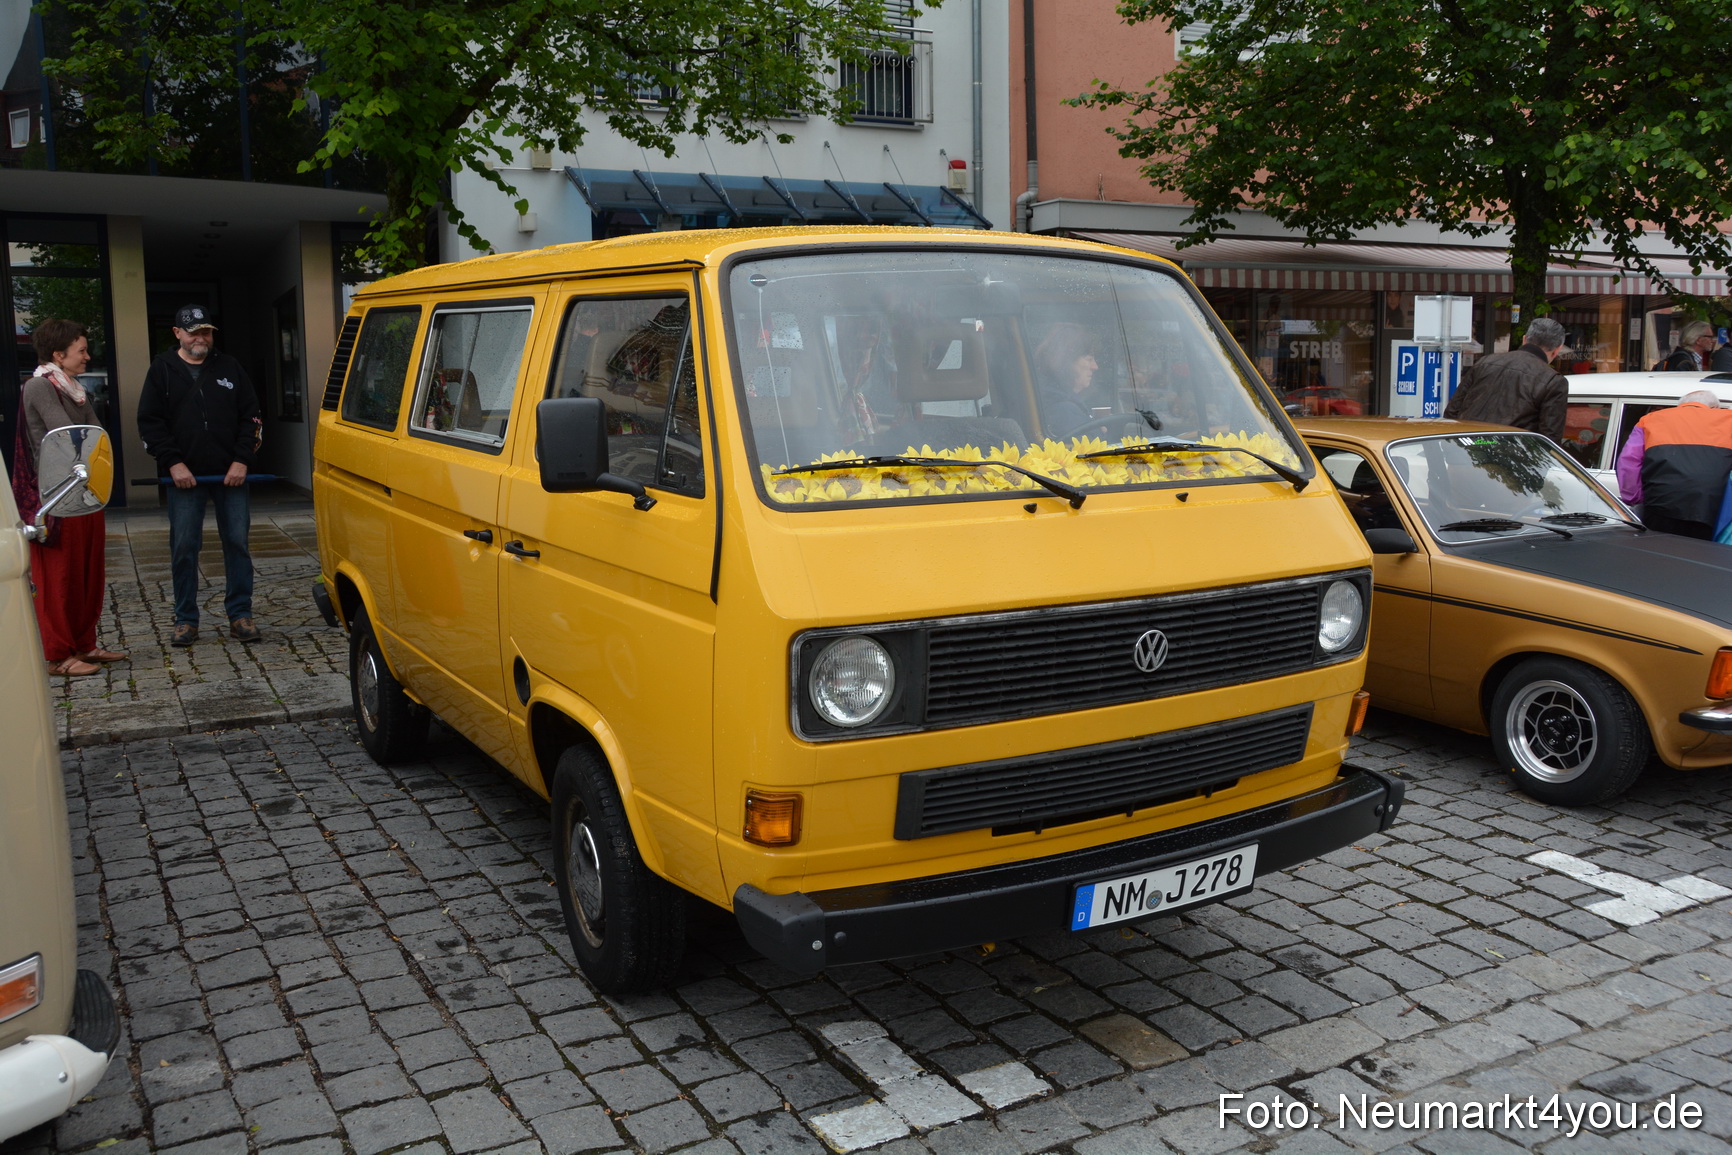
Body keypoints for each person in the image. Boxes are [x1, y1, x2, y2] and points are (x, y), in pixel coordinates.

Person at [136, 305, 263, 646]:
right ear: (177, 333)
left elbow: (251, 418)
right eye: (193, 332)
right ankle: (186, 619)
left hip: (231, 477)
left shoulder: (230, 367)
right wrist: (173, 464)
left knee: (237, 544)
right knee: (184, 547)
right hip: (185, 479)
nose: (200, 338)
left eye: (206, 331)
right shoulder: (161, 370)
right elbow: (150, 422)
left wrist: (242, 461)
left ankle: (240, 614)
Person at [10, 319, 127, 677]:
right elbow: (72, 437)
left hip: (83, 492)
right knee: (58, 578)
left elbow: (97, 435)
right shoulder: (39, 387)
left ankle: (83, 642)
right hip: (56, 497)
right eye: (81, 350)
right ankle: (58, 655)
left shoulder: (74, 388)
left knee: (87, 573)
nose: (88, 356)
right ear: (59, 355)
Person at [1614, 389, 1732, 538]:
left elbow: (1629, 462)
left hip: (1661, 506)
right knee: (1705, 556)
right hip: (1714, 508)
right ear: (1715, 408)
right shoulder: (1728, 419)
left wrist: (1635, 498)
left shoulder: (1650, 420)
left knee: (1661, 554)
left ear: (1680, 406)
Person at [1442, 316, 1567, 441]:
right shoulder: (1553, 381)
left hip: (1465, 449)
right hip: (1511, 455)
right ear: (1557, 350)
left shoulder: (1485, 362)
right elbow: (1550, 439)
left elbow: (1452, 412)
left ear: (1524, 339)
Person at [1034, 322, 1101, 435]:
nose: (1095, 367)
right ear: (1067, 362)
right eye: (1089, 359)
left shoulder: (1051, 399)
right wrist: (1103, 433)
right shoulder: (1064, 411)